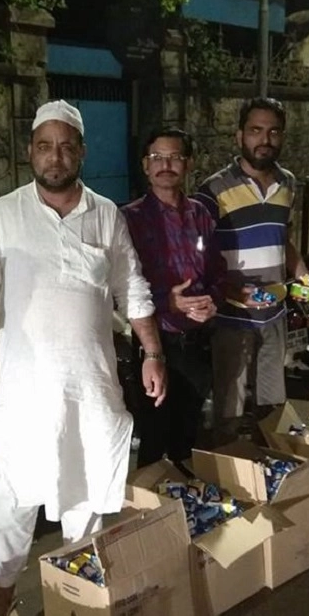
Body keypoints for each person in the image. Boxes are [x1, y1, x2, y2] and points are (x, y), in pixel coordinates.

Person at [0, 100, 165, 616]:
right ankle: (2, 591)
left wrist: (153, 352)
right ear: (30, 152)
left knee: (87, 491)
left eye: (66, 145)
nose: (55, 156)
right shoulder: (3, 215)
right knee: (13, 495)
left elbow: (131, 287)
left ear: (82, 151)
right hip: (25, 391)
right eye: (44, 145)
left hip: (89, 387)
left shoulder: (106, 215)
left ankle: (78, 596)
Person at [196, 97, 307, 441]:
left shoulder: (287, 183)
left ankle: (274, 469)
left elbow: (283, 238)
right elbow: (199, 255)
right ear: (239, 136)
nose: (265, 140)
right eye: (256, 131)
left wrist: (303, 275)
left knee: (273, 404)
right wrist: (229, 291)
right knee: (229, 405)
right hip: (232, 318)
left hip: (275, 314)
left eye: (273, 132)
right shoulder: (213, 190)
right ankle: (230, 473)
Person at [121, 127, 225, 467]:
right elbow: (119, 287)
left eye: (175, 157)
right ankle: (150, 514)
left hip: (197, 344)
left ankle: (187, 508)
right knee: (153, 439)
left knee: (188, 435)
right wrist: (169, 302)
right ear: (145, 166)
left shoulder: (201, 215)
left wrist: (212, 301)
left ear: (189, 163)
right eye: (157, 158)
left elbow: (217, 273)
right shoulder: (129, 220)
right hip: (156, 346)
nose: (166, 165)